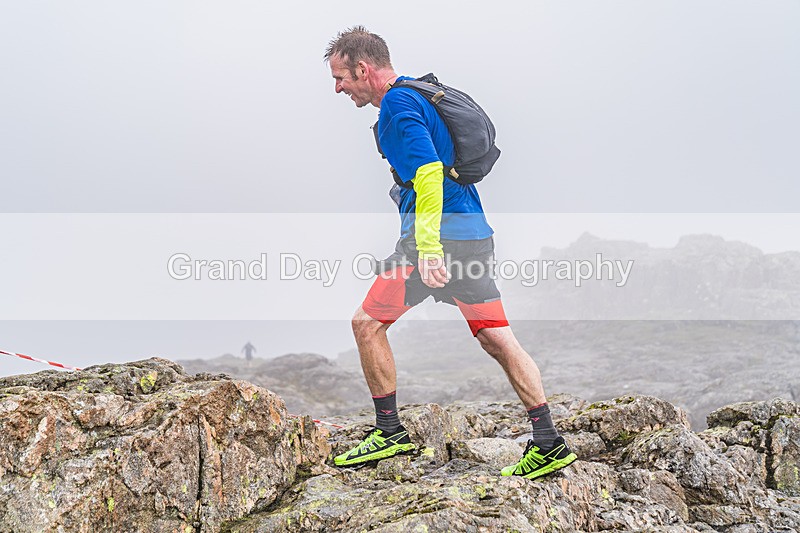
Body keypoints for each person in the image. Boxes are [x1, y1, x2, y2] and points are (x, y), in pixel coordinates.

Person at [324, 26, 576, 479]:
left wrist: (428, 249)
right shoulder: (420, 93)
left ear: (363, 69)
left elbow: (428, 172)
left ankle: (389, 432)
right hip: (472, 233)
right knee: (496, 336)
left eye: (340, 77)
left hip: (437, 240)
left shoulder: (398, 106)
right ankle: (548, 440)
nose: (337, 87)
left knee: (366, 325)